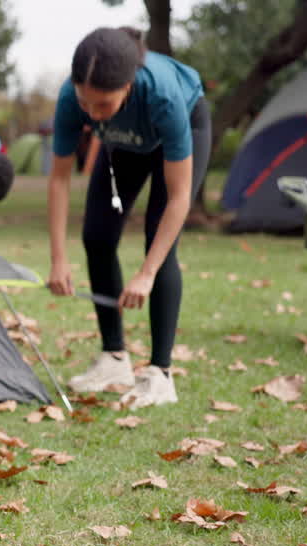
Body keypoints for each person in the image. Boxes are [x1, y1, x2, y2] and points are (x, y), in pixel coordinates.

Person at [45, 27, 210, 408]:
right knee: (97, 236)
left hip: (183, 124)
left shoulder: (163, 96)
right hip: (125, 142)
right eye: (87, 103)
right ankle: (114, 358)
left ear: (130, 85)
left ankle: (160, 374)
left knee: (160, 243)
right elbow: (59, 179)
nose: (92, 113)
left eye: (103, 105)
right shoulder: (73, 98)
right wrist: (57, 258)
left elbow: (180, 197)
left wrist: (147, 273)